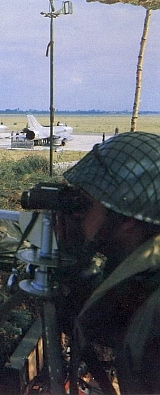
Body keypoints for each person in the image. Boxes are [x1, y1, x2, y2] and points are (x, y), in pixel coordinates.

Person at [55, 132, 160, 394]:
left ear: (126, 220)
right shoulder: (142, 269)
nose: (74, 216)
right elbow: (110, 323)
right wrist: (75, 263)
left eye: (84, 205)